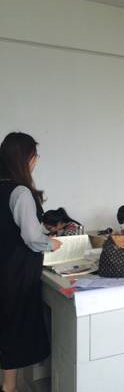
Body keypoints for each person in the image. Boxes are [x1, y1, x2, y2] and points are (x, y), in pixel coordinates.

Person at [0, 132, 62, 392]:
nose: (36, 161)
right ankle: (9, 388)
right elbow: (31, 237)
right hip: (16, 273)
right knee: (14, 330)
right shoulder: (20, 191)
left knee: (6, 328)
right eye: (34, 156)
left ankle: (9, 385)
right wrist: (51, 243)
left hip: (4, 268)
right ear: (24, 158)